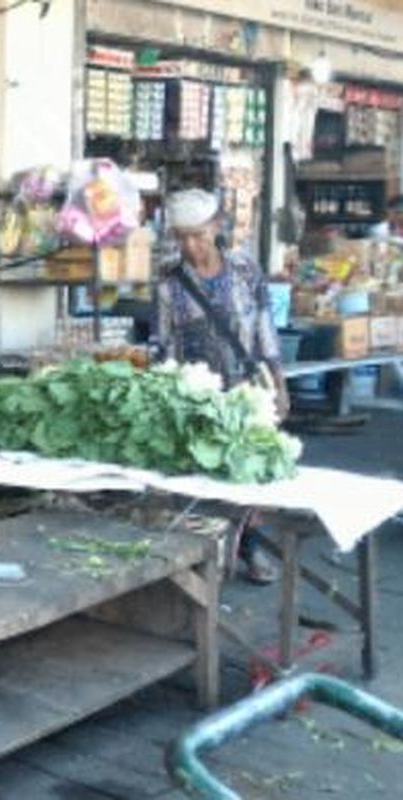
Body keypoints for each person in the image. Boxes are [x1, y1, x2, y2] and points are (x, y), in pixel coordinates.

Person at [156, 189, 288, 584]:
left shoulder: (246, 270)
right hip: (196, 394)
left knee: (246, 475)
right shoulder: (169, 279)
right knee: (200, 474)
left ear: (216, 225)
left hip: (248, 390)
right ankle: (203, 556)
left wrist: (279, 384)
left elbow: (265, 330)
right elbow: (163, 341)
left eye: (198, 234)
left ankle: (249, 545)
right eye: (182, 237)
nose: (191, 245)